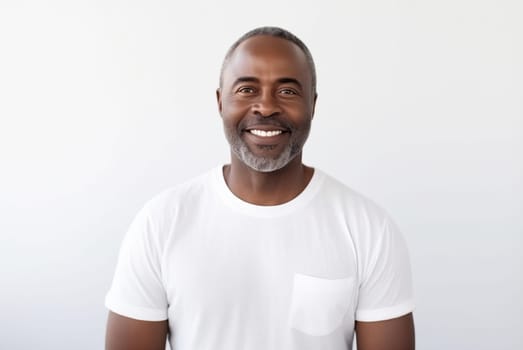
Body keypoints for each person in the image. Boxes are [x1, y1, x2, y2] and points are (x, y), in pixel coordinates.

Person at [105, 26, 415, 350]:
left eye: (288, 91)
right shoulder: (161, 222)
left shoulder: (369, 228)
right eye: (247, 90)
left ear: (313, 104)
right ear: (220, 102)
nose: (266, 107)